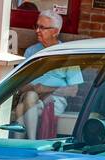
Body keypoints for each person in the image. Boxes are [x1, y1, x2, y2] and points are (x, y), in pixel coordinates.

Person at [16, 11, 82, 139]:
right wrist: (31, 88)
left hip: (55, 100)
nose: (37, 31)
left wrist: (46, 89)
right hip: (31, 97)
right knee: (27, 99)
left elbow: (73, 90)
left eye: (43, 28)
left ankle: (25, 143)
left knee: (21, 107)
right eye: (37, 26)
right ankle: (28, 143)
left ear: (55, 31)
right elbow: (20, 83)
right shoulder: (31, 51)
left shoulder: (68, 53)